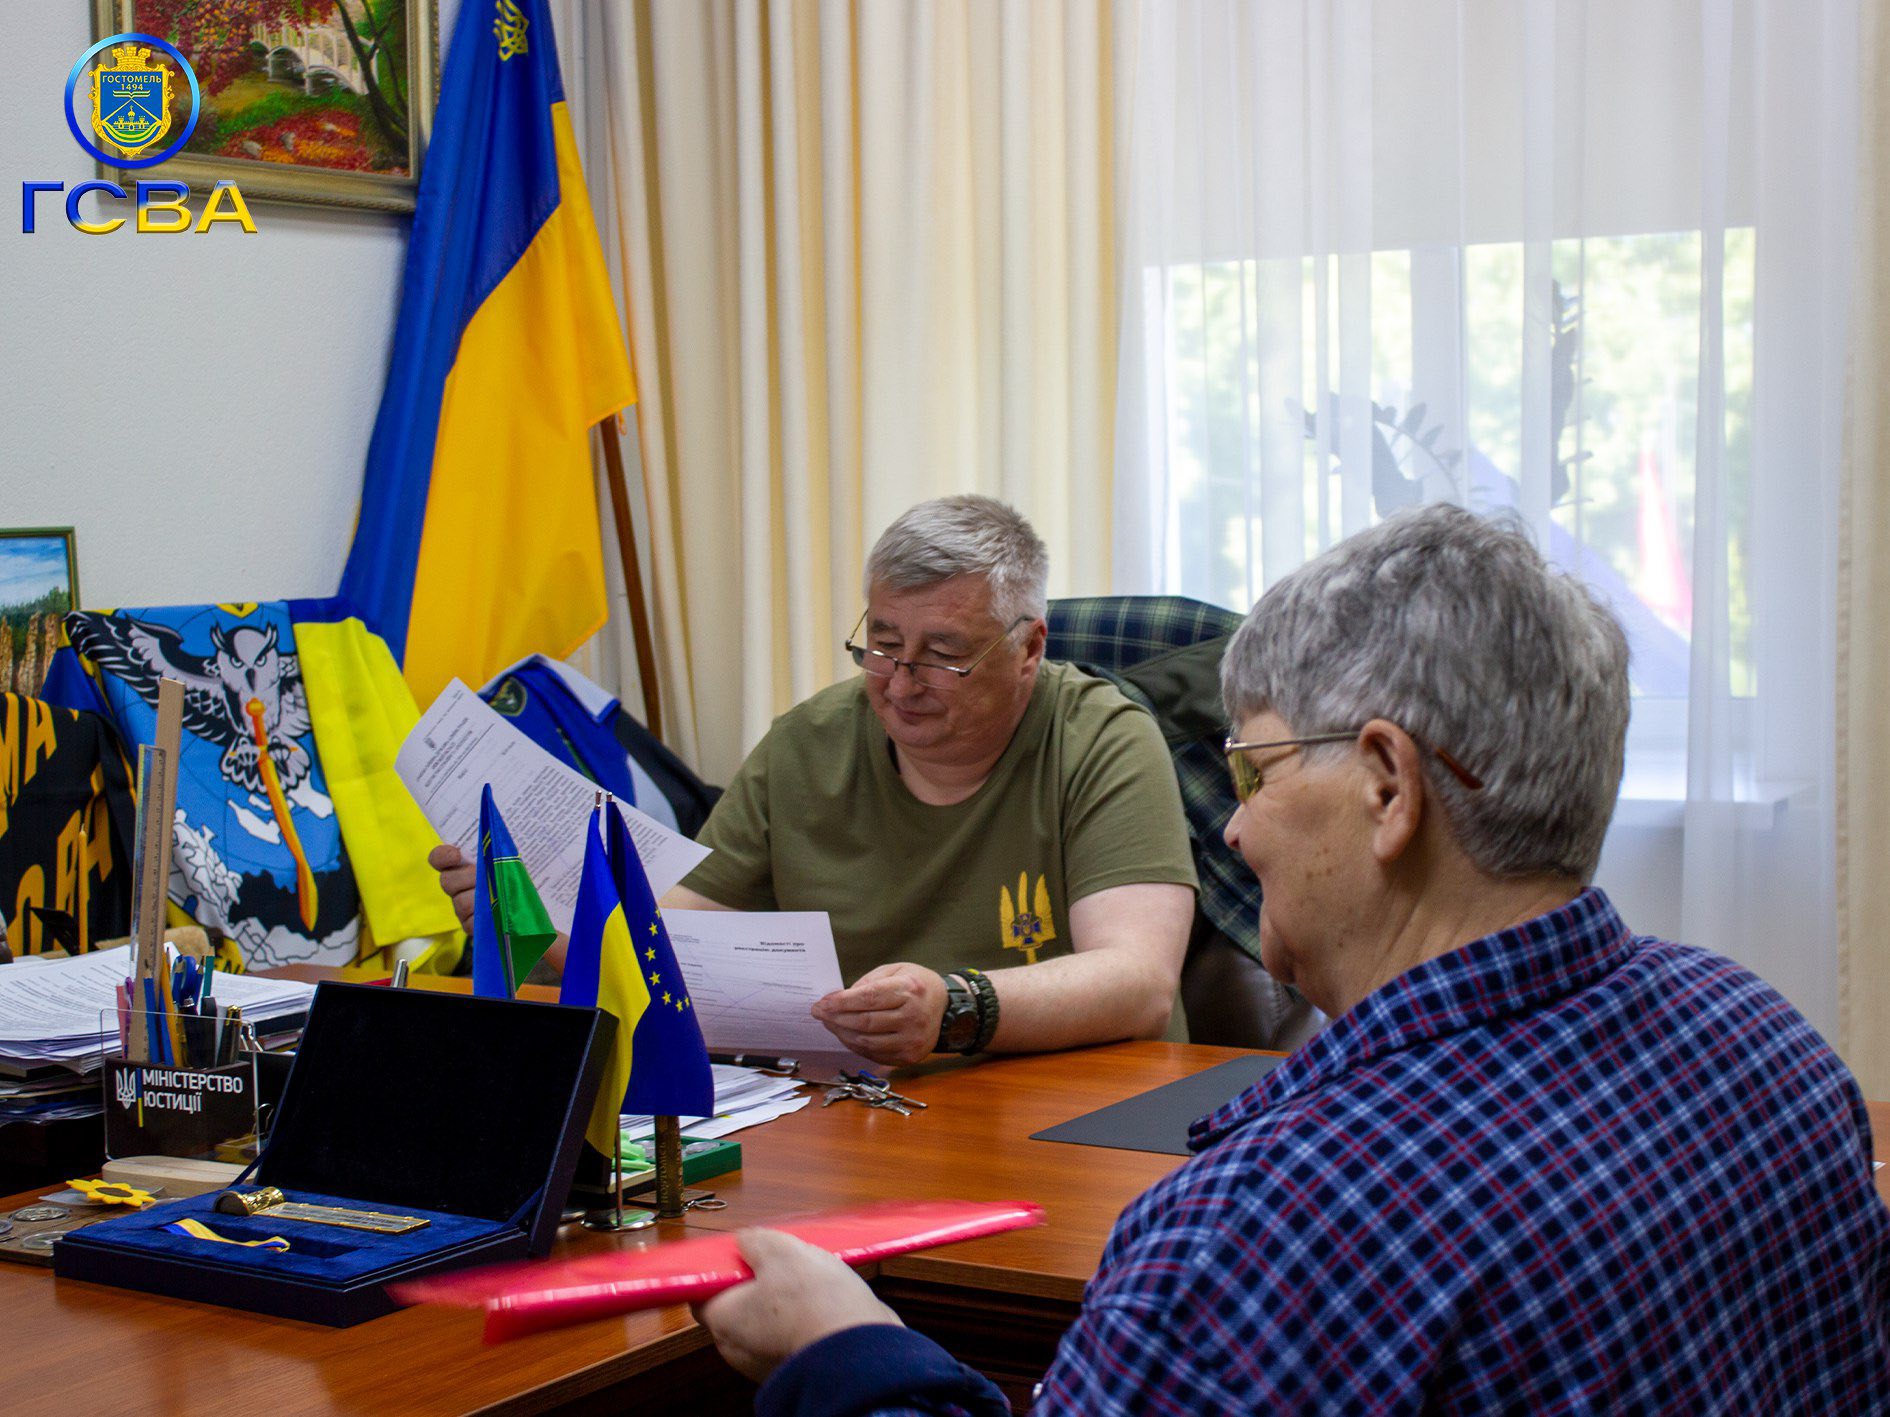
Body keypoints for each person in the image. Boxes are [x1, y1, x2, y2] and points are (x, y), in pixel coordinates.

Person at [693, 503, 1890, 1414]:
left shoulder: (1269, 1226)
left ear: (1387, 787)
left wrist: (846, 1351)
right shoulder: (1770, 1041)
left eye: (1257, 772)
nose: (1236, 829)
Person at [431, 495, 1198, 1065]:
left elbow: (1138, 982)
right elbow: (669, 939)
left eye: (942, 655)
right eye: (882, 644)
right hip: (860, 1110)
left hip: (1070, 1107)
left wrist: (956, 1007)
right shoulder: (807, 744)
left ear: (1029, 648)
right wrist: (544, 919)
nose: (901, 682)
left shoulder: (1101, 738)